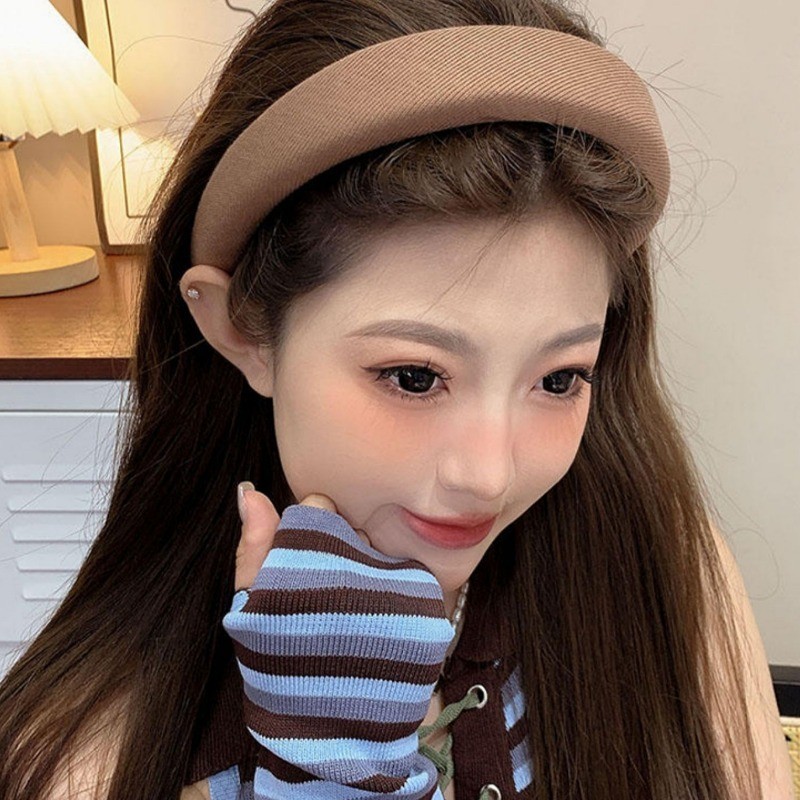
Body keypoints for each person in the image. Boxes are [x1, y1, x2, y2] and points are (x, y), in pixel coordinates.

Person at [0, 0, 793, 798]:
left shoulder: (664, 568)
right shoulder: (94, 755)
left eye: (558, 379)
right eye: (414, 377)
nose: (488, 475)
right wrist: (331, 766)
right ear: (244, 329)